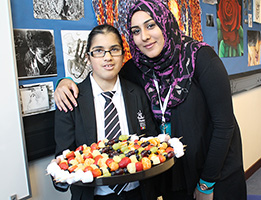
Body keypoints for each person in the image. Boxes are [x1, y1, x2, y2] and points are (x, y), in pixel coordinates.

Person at [54, 0, 247, 200]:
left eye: (150, 25)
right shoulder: (137, 69)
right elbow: (104, 76)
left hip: (214, 172)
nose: (144, 37)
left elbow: (224, 125)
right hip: (175, 175)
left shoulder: (201, 58)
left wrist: (207, 183)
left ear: (165, 23)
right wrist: (64, 82)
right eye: (136, 31)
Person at [53, 24, 159, 200]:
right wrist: (61, 175)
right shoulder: (71, 99)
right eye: (99, 51)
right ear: (88, 58)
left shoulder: (138, 93)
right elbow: (64, 155)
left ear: (123, 55)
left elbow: (150, 140)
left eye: (114, 50)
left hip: (138, 192)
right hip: (93, 194)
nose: (108, 57)